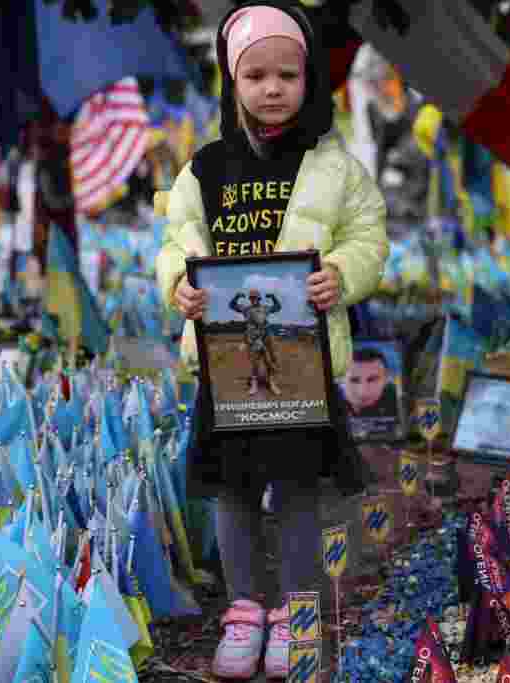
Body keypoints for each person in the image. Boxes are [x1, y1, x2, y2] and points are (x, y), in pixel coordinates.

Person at [154, 2, 388, 679]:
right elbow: (176, 242)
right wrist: (180, 287)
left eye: (288, 73)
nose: (272, 87)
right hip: (225, 363)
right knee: (230, 492)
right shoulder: (203, 169)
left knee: (296, 491)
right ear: (233, 82)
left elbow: (369, 236)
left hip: (302, 363)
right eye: (255, 74)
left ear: (310, 80)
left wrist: (340, 275)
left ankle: (296, 614)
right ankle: (245, 610)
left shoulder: (335, 167)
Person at [230, 288, 282, 396]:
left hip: (266, 338)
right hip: (253, 340)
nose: (253, 299)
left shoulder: (265, 308)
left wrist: (273, 297)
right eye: (251, 298)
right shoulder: (246, 309)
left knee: (269, 362)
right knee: (255, 363)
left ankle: (272, 384)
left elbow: (278, 307)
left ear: (259, 298)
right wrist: (237, 297)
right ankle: (254, 385)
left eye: (255, 297)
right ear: (249, 299)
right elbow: (232, 306)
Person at [342, 347, 398, 419]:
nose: (363, 392)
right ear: (341, 380)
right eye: (354, 380)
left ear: (386, 380)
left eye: (372, 380)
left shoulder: (400, 402)